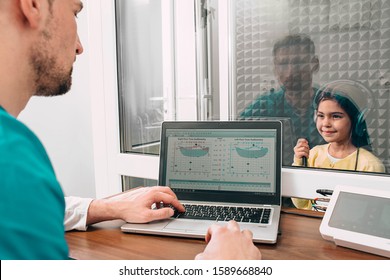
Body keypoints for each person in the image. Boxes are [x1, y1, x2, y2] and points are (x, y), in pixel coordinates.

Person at [0, 0, 261, 260]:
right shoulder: (11, 159)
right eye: (74, 13)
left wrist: (105, 207)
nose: (80, 46)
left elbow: (26, 213)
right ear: (32, 5)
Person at [292, 80, 386, 209]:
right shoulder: (313, 154)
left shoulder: (370, 165)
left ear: (356, 120)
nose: (326, 123)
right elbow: (300, 204)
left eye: (335, 116)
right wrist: (299, 162)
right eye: (321, 116)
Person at [239, 34, 325, 165]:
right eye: (283, 64)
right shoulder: (262, 107)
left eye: (298, 62)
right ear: (275, 68)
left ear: (314, 64)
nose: (291, 72)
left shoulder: (338, 106)